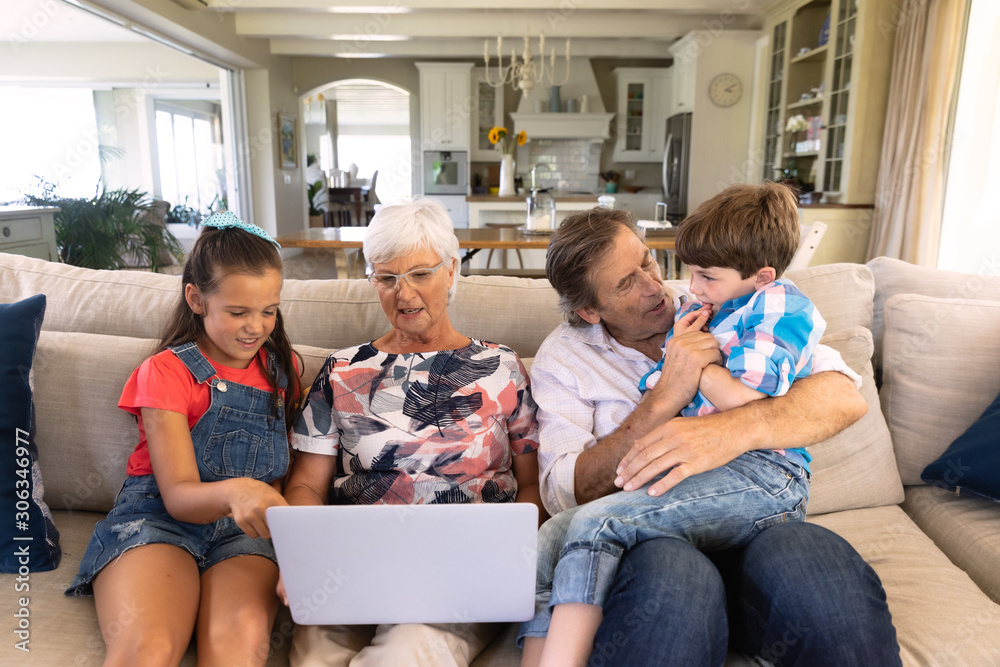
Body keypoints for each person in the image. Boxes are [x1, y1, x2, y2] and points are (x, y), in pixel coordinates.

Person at [520, 202, 901, 666]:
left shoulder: (717, 296)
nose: (654, 287)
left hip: (760, 523)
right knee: (674, 577)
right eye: (626, 283)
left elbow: (844, 396)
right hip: (653, 544)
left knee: (817, 566)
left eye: (646, 260)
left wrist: (733, 430)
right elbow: (565, 492)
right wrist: (666, 396)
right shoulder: (565, 357)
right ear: (590, 310)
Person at [283, 197, 546, 667]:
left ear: (450, 270)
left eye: (419, 274)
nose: (404, 295)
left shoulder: (502, 366)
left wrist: (507, 559)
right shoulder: (342, 370)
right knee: (313, 658)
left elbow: (534, 484)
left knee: (404, 655)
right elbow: (305, 483)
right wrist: (302, 556)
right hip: (354, 566)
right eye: (386, 278)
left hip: (462, 574)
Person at [66, 211, 302, 666]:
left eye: (268, 310)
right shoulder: (166, 372)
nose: (256, 326)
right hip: (160, 519)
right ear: (196, 298)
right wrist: (238, 490)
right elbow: (177, 497)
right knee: (148, 649)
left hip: (243, 534)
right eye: (238, 312)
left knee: (238, 648)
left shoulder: (282, 368)